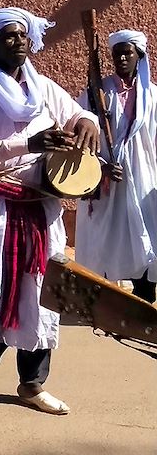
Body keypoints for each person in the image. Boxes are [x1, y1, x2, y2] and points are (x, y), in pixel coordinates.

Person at [0, 7, 99, 415]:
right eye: (9, 36)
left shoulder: (43, 87)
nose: (18, 42)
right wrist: (29, 145)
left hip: (41, 206)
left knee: (41, 291)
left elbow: (77, 112)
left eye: (23, 36)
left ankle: (33, 384)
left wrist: (88, 122)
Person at [75, 30, 157, 304]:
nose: (122, 58)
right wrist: (101, 166)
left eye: (128, 53)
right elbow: (82, 135)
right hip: (107, 174)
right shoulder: (96, 92)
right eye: (117, 53)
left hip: (144, 173)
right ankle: (99, 296)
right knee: (105, 233)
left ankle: (144, 293)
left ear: (139, 57)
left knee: (145, 229)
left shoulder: (153, 96)